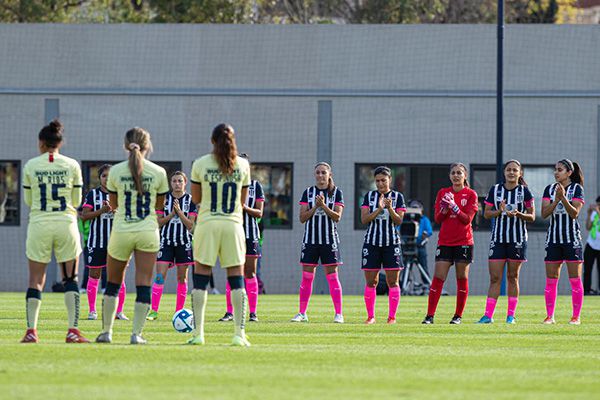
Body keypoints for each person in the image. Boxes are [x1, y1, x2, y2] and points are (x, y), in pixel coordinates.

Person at [95, 127, 169, 344]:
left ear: (126, 145)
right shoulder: (159, 172)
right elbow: (160, 205)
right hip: (147, 231)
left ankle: (106, 332)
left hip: (121, 230)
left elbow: (115, 204)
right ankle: (136, 334)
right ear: (148, 145)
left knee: (113, 283)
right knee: (144, 283)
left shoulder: (116, 171)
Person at [21, 119, 89, 343]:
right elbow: (77, 200)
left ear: (41, 143)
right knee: (71, 278)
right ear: (60, 143)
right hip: (65, 224)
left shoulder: (31, 165)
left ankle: (31, 331)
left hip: (39, 224)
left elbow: (29, 200)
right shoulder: (72, 165)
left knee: (35, 280)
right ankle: (73, 331)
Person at [188, 123, 251, 347]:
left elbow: (196, 199)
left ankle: (198, 334)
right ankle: (238, 333)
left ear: (212, 140)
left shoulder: (200, 163)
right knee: (236, 278)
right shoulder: (243, 165)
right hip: (232, 224)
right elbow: (242, 202)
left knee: (201, 277)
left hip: (207, 224)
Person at [477, 160, 535, 324]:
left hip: (517, 239)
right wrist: (499, 211)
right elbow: (487, 214)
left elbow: (532, 216)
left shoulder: (525, 192)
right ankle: (488, 315)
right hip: (498, 239)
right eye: (508, 170)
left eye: (514, 170)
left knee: (512, 277)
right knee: (495, 278)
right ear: (504, 172)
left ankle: (511, 316)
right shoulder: (495, 190)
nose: (511, 172)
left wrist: (518, 214)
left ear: (520, 173)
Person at [423, 162, 478, 325]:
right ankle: (429, 316)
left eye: (459, 173)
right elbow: (438, 219)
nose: (456, 175)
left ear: (465, 176)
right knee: (438, 277)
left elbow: (467, 219)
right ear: (449, 176)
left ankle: (457, 316)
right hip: (445, 241)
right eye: (453, 173)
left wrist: (454, 207)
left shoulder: (471, 194)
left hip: (464, 241)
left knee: (461, 277)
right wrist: (444, 209)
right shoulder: (443, 192)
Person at [290, 162, 345, 324]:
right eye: (318, 173)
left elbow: (337, 217)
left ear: (330, 175)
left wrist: (324, 206)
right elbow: (302, 218)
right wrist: (315, 207)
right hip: (311, 240)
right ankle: (302, 313)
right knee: (307, 277)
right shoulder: (308, 193)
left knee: (333, 277)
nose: (320, 176)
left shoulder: (337, 193)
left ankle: (339, 314)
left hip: (330, 240)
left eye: (323, 173)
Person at [220, 153, 264, 322]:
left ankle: (252, 313)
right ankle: (229, 312)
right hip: (232, 233)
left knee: (250, 272)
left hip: (251, 234)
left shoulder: (256, 186)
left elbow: (259, 212)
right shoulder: (227, 185)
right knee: (232, 272)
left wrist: (244, 207)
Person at [81, 164, 129, 321]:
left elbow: (129, 216)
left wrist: (117, 211)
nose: (107, 179)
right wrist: (101, 211)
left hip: (117, 242)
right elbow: (84, 215)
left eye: (110, 176)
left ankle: (119, 311)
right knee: (94, 275)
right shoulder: (92, 195)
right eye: (104, 176)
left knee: (119, 277)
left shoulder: (121, 195)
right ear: (99, 178)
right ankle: (92, 311)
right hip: (97, 243)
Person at [147, 171, 197, 320]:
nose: (177, 184)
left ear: (185, 183)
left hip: (184, 242)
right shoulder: (163, 199)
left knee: (182, 278)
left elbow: (191, 226)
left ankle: (178, 312)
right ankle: (154, 311)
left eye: (180, 181)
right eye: (174, 181)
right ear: (171, 183)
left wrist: (179, 213)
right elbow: (158, 222)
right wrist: (171, 215)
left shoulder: (191, 201)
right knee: (159, 276)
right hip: (166, 242)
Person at [541, 159, 585, 325]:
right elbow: (544, 213)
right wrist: (557, 200)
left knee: (574, 278)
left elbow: (575, 214)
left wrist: (564, 199)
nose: (556, 172)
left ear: (569, 173)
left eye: (560, 170)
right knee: (551, 278)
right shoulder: (549, 189)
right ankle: (550, 316)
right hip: (553, 240)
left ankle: (575, 317)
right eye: (555, 169)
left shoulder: (577, 189)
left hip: (572, 240)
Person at [360, 166, 406, 324]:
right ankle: (370, 316)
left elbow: (399, 221)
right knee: (371, 282)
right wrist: (379, 209)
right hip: (372, 243)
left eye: (383, 180)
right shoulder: (369, 196)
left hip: (391, 244)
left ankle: (392, 317)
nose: (380, 184)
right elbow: (364, 220)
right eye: (377, 181)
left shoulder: (398, 197)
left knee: (393, 282)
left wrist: (390, 208)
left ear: (390, 180)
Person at [409, 200, 432, 277]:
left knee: (423, 267)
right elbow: (399, 229)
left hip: (420, 247)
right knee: (406, 268)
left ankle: (426, 285)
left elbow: (429, 231)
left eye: (416, 208)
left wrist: (425, 235)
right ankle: (404, 284)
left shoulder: (424, 219)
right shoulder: (405, 220)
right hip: (408, 246)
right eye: (412, 208)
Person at [583, 196, 600, 295]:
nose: (597, 206)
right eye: (597, 204)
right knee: (588, 268)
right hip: (591, 244)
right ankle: (587, 289)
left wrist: (598, 211)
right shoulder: (594, 213)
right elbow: (588, 227)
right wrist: (589, 214)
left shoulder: (597, 212)